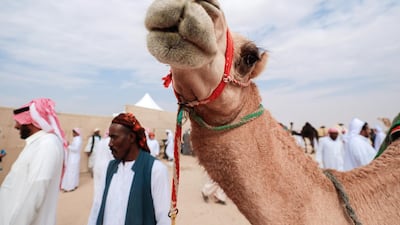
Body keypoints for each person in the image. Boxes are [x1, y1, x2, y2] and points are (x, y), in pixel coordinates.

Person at [87, 112, 170, 225]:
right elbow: (97, 206)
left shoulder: (155, 170)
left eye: (114, 138)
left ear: (131, 137)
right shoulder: (109, 168)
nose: (110, 144)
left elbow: (164, 218)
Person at [0, 98, 66, 225]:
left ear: (31, 121)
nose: (16, 126)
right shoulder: (39, 143)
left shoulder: (47, 145)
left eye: (18, 122)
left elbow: (35, 193)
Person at [91, 130, 114, 207]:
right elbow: (112, 156)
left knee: (97, 186)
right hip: (106, 167)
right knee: (105, 186)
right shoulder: (110, 142)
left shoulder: (101, 142)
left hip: (97, 166)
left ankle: (97, 203)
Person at [61, 128, 83, 192]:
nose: (72, 134)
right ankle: (72, 185)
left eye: (74, 132)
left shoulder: (78, 139)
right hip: (72, 158)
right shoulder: (76, 139)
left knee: (72, 172)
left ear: (77, 133)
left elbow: (75, 149)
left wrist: (68, 146)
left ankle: (70, 187)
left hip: (74, 158)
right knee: (72, 172)